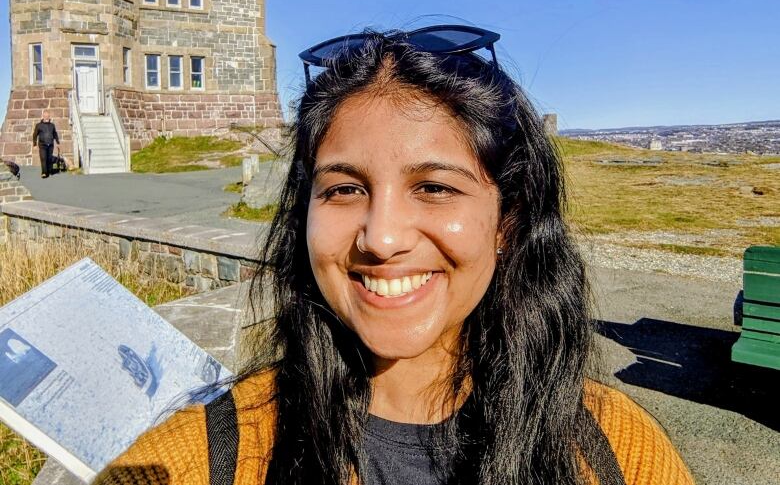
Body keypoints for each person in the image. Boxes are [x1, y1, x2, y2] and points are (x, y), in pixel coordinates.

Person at [97, 26, 695, 485]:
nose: (381, 238)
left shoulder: (613, 450)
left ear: (508, 221)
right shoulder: (210, 455)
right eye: (344, 189)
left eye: (435, 187)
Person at [32, 110, 60, 178]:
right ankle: (44, 173)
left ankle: (48, 170)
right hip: (42, 145)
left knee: (49, 158)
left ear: (49, 116)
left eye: (48, 116)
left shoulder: (52, 125)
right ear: (43, 116)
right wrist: (35, 144)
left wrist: (58, 142)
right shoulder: (38, 125)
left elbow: (55, 134)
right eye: (45, 116)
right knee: (43, 158)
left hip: (50, 144)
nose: (47, 117)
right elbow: (35, 135)